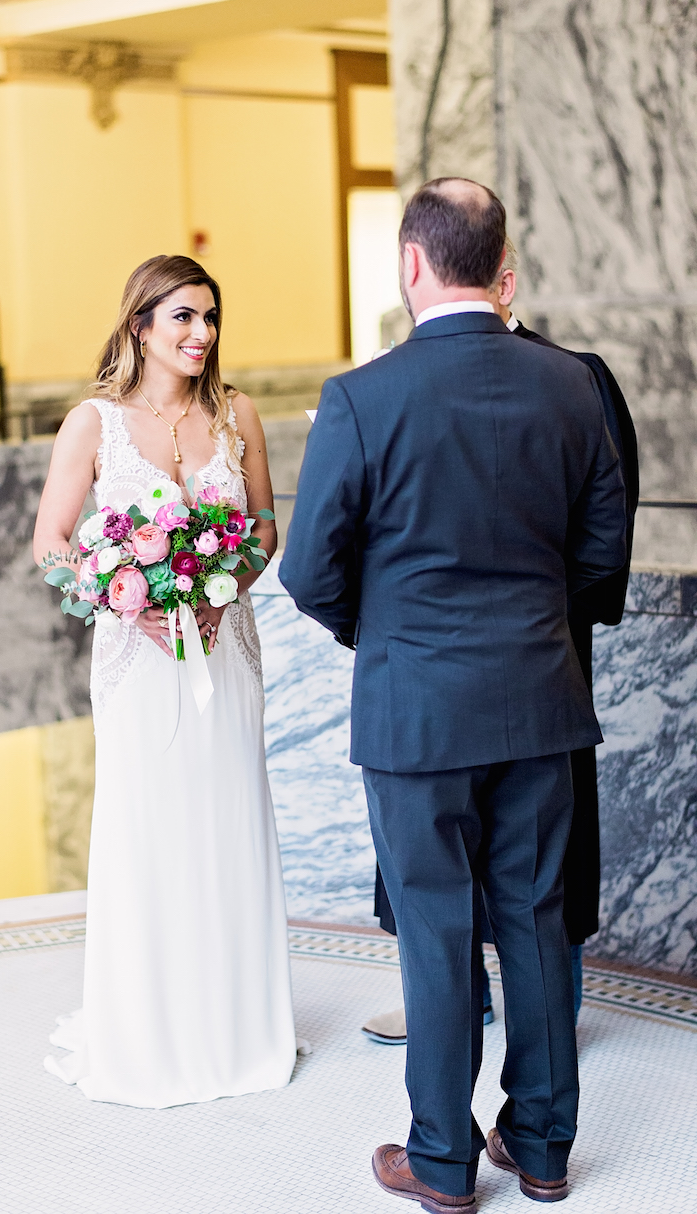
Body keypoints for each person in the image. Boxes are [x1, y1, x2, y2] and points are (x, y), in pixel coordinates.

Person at [281, 179, 628, 1210]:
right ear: (499, 261)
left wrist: (382, 636)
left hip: (414, 708)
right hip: (539, 695)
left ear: (411, 264)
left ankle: (440, 1160)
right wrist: (530, 632)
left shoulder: (360, 396)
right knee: (534, 920)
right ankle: (545, 1145)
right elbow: (604, 543)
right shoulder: (574, 384)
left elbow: (310, 568)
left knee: (435, 931)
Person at [33, 254, 297, 1108]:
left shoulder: (237, 416)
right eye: (183, 317)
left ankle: (236, 1027)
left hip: (226, 654)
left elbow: (262, 529)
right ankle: (147, 1030)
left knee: (226, 826)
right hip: (137, 666)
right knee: (149, 833)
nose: (202, 334)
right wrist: (124, 597)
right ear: (140, 325)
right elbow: (51, 544)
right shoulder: (95, 424)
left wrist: (230, 587)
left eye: (211, 318)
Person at [365, 240, 639, 1039]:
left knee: (540, 862)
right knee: (439, 851)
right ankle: (459, 1005)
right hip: (442, 663)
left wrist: (547, 624)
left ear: (504, 281)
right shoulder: (393, 380)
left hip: (540, 660)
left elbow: (606, 533)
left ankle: (551, 1009)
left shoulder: (576, 377)